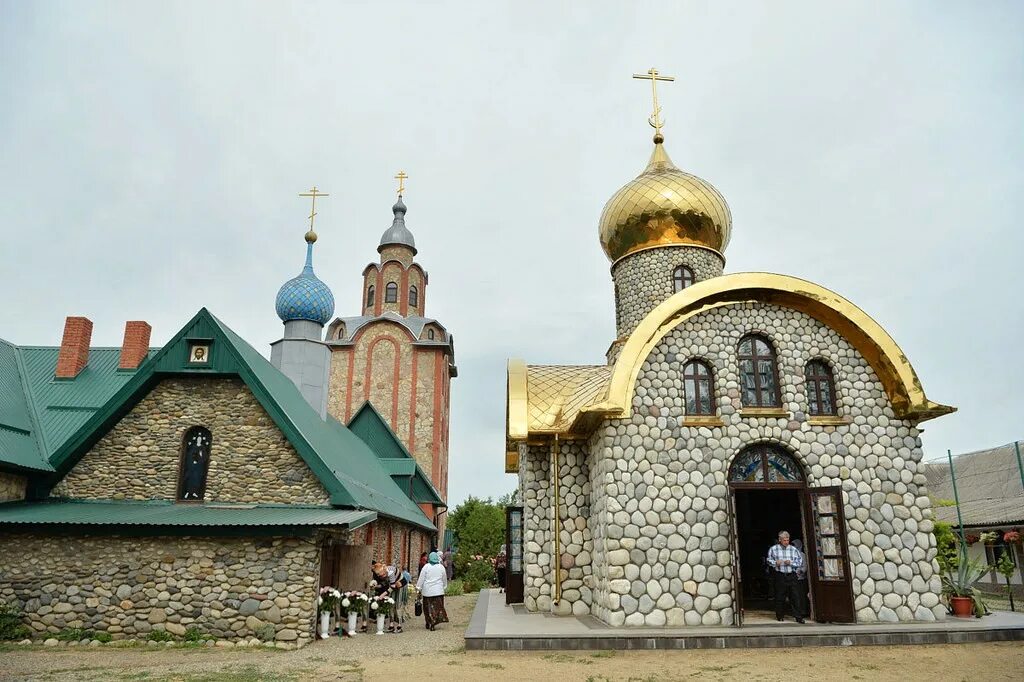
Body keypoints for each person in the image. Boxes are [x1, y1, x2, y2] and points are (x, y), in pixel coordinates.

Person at [766, 530, 805, 623]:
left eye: (788, 540)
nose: (786, 542)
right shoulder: (773, 549)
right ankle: (780, 616)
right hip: (780, 575)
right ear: (780, 540)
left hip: (792, 575)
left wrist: (791, 563)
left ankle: (798, 617)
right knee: (780, 596)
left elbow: (799, 562)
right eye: (784, 540)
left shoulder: (793, 549)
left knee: (795, 596)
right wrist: (775, 562)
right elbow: (768, 560)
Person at [415, 551, 449, 630]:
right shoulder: (441, 567)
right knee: (437, 607)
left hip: (428, 591)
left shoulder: (426, 567)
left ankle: (429, 621)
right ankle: (434, 621)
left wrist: (418, 587)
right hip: (438, 591)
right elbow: (444, 578)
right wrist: (444, 586)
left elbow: (421, 578)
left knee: (427, 608)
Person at [792, 538, 810, 620]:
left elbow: (805, 567)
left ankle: (803, 611)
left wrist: (799, 572)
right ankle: (797, 611)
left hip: (801, 579)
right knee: (795, 596)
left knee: (802, 596)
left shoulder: (802, 555)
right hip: (793, 578)